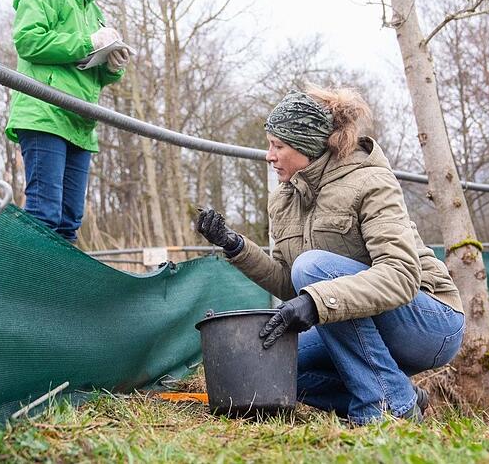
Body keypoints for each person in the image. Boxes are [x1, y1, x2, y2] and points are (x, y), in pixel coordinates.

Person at [195, 86, 465, 424]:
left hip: (430, 320)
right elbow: (291, 282)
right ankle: (398, 394)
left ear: (306, 146)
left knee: (314, 268)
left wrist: (317, 301)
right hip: (363, 321)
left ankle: (387, 409)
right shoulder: (283, 200)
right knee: (275, 362)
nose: (269, 156)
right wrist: (235, 246)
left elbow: (400, 275)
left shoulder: (369, 181)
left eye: (278, 146)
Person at [6, 0, 128, 243]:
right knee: (44, 214)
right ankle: (22, 272)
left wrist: (112, 66)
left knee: (69, 221)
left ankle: (57, 277)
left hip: (81, 123)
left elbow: (90, 69)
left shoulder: (94, 11)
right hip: (45, 113)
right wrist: (88, 42)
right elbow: (28, 41)